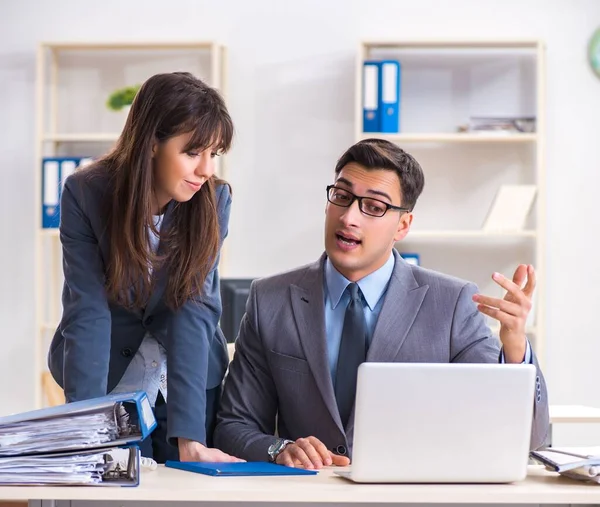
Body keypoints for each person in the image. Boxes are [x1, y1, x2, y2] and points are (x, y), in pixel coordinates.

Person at [213, 138, 549, 468]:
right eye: (342, 197)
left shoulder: (451, 304)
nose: (349, 218)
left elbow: (522, 438)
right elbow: (232, 427)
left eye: (374, 207)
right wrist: (279, 449)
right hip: (311, 497)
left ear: (403, 225)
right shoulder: (270, 300)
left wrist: (515, 346)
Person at [48, 72, 241, 464]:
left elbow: (194, 308)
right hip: (106, 378)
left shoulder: (214, 200)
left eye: (214, 154)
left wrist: (190, 438)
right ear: (153, 142)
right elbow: (88, 310)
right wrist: (84, 427)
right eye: (193, 152)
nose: (206, 169)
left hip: (184, 385)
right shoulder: (85, 193)